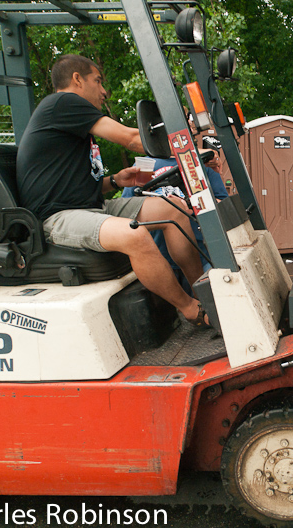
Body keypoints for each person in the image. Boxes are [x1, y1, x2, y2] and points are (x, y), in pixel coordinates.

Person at [16, 54, 209, 326]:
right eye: (98, 81)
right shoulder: (63, 102)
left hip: (88, 208)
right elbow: (131, 139)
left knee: (174, 209)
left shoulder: (68, 118)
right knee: (135, 235)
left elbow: (69, 183)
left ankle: (203, 292)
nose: (104, 91)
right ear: (77, 80)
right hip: (57, 218)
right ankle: (190, 309)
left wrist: (116, 181)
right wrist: (183, 138)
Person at [122, 150, 229, 292]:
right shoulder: (142, 168)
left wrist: (192, 204)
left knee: (214, 299)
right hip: (161, 260)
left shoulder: (202, 164)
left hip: (203, 255)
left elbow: (224, 207)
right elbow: (128, 213)